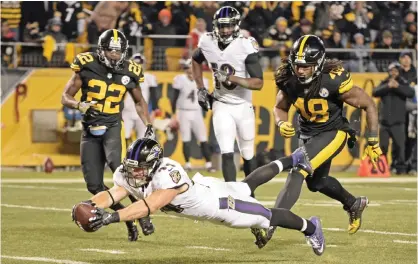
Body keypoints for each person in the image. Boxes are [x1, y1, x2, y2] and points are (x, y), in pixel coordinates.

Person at [72, 138, 326, 256]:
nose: (133, 172)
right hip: (206, 189)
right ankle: (294, 159)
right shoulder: (130, 173)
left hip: (218, 206)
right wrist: (89, 205)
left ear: (153, 164)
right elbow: (113, 193)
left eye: (138, 167)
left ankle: (312, 227)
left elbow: (150, 206)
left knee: (266, 217)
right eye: (131, 166)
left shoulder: (167, 174)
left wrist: (110, 218)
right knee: (246, 186)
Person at [268, 35, 382, 240]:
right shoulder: (288, 77)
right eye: (297, 65)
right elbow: (279, 107)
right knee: (316, 183)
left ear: (318, 63)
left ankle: (270, 222)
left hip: (334, 132)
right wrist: (281, 122)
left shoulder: (333, 79)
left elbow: (369, 104)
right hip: (307, 133)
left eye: (306, 66)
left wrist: (373, 140)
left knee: (298, 170)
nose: (300, 70)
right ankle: (353, 203)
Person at [61, 29, 155, 241]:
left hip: (113, 126)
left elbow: (139, 102)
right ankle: (128, 218)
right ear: (101, 50)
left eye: (118, 52)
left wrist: (148, 123)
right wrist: (78, 104)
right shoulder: (86, 64)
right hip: (89, 129)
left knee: (122, 173)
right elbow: (65, 96)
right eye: (110, 51)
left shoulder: (130, 70)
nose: (114, 55)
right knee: (94, 185)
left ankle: (142, 214)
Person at [192, 6, 264, 182]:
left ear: (237, 26)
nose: (225, 30)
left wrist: (233, 78)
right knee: (226, 149)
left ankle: (250, 194)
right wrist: (201, 87)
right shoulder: (207, 41)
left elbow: (258, 83)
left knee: (247, 153)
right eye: (222, 26)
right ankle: (232, 195)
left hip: (243, 104)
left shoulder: (245, 45)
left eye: (229, 26)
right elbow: (195, 60)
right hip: (221, 102)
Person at [171, 59, 215, 172]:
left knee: (203, 138)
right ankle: (188, 164)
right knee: (186, 139)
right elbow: (174, 98)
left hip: (196, 111)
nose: (189, 72)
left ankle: (209, 164)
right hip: (183, 111)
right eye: (187, 69)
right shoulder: (180, 79)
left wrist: (205, 111)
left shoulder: (203, 80)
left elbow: (205, 98)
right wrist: (173, 115)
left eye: (192, 70)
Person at [372, 62, 415, 174]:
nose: (394, 73)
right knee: (383, 147)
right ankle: (383, 168)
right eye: (392, 71)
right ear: (389, 72)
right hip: (385, 122)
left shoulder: (402, 82)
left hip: (398, 122)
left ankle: (400, 169)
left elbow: (411, 92)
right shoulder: (385, 82)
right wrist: (388, 86)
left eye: (396, 71)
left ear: (399, 72)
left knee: (400, 147)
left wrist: (397, 86)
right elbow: (375, 92)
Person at [122, 53, 158, 146]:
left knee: (142, 139)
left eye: (140, 64)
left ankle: (137, 159)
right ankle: (124, 157)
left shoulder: (149, 77)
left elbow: (153, 96)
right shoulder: (125, 77)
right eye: (135, 64)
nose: (138, 66)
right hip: (127, 111)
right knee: (123, 136)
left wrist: (153, 111)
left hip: (142, 112)